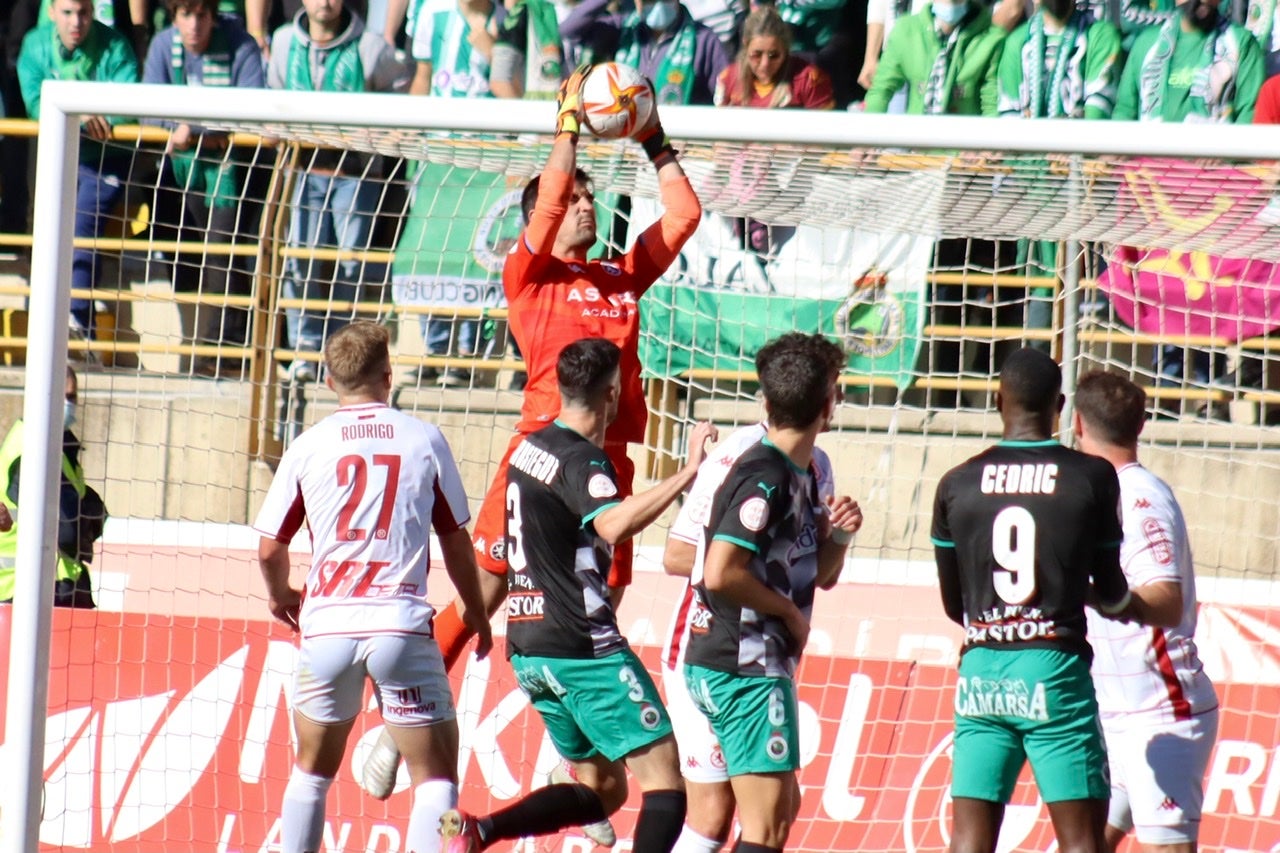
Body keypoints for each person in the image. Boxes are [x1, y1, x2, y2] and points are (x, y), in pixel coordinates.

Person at [360, 65, 703, 807]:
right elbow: (546, 202)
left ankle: (570, 762)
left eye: (587, 196)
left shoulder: (618, 279)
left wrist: (653, 138)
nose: (583, 203)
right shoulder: (529, 275)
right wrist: (568, 130)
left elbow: (683, 218)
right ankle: (398, 720)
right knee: (483, 590)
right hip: (538, 457)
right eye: (573, 196)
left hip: (607, 458)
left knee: (600, 602)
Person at [438, 337, 718, 853]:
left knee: (604, 789)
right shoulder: (583, 461)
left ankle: (483, 831)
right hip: (583, 649)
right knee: (666, 787)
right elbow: (611, 525)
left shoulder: (529, 448)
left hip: (528, 646)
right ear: (613, 393)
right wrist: (690, 473)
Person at [252, 320, 493, 853]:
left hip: (328, 628)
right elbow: (455, 540)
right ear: (389, 374)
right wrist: (476, 612)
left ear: (331, 381)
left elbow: (270, 547)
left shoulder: (307, 445)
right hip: (400, 627)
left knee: (311, 774)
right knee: (437, 782)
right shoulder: (423, 438)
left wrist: (281, 595)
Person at [930, 346, 1132, 853]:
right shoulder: (1092, 477)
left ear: (998, 400)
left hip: (981, 670)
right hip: (1052, 667)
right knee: (1081, 840)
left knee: (968, 840)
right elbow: (1111, 592)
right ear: (1061, 405)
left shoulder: (955, 483)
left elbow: (957, 606)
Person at [681, 332, 863, 853]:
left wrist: (842, 536)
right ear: (829, 403)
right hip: (743, 665)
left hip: (747, 662)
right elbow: (720, 571)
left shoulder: (803, 472)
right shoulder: (765, 475)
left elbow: (817, 575)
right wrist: (788, 614)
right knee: (764, 830)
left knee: (782, 811)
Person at [1073, 371, 1220, 853]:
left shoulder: (1137, 500)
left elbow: (1166, 600)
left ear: (1076, 424)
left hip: (1159, 713)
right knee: (1083, 845)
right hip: (1113, 712)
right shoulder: (1097, 493)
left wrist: (1102, 597)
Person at [1112, 0, 1264, 400]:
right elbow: (1124, 116)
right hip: (1156, 201)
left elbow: (1250, 118)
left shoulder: (1240, 43)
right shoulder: (1148, 44)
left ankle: (1206, 394)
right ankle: (1169, 391)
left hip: (1217, 202)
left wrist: (1224, 150)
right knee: (1166, 291)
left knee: (1211, 297)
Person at [267, 0, 409, 383]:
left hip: (355, 174)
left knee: (351, 264)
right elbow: (273, 99)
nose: (325, 3)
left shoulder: (371, 47)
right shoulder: (283, 43)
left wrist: (376, 132)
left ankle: (349, 357)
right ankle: (303, 351)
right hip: (302, 170)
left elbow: (400, 97)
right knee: (302, 261)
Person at [143, 0, 264, 378]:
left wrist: (192, 128)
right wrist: (187, 128)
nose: (194, 24)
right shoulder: (163, 45)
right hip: (175, 174)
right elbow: (145, 107)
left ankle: (220, 351)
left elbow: (252, 104)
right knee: (185, 258)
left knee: (224, 253)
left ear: (214, 16)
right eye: (185, 15)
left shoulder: (240, 45)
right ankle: (204, 346)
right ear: (174, 17)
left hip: (230, 171)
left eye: (202, 15)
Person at [17, 0, 140, 338]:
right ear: (52, 11)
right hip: (57, 153)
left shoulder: (115, 45)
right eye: (68, 12)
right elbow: (34, 100)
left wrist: (93, 115)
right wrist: (80, 113)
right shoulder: (35, 44)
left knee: (83, 226)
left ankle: (77, 324)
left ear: (93, 12)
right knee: (50, 227)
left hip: (106, 158)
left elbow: (130, 104)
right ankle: (51, 324)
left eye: (84, 12)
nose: (76, 22)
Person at [405, 0, 504, 387]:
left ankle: (467, 355)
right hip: (439, 158)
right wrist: (410, 135)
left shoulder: (509, 19)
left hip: (487, 162)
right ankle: (436, 349)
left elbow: (526, 85)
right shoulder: (435, 16)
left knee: (476, 253)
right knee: (433, 250)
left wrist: (492, 52)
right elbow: (423, 77)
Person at [0, 367, 105, 608]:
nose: (68, 404)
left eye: (72, 397)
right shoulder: (32, 450)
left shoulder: (58, 446)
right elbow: (67, 529)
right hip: (30, 592)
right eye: (62, 396)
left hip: (50, 587)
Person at [559, 0, 729, 106]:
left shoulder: (703, 40)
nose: (657, 4)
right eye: (649, 0)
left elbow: (725, 95)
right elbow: (569, 30)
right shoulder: (623, 28)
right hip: (625, 147)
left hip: (677, 148)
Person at [862, 0, 1006, 116]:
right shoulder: (905, 31)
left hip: (965, 147)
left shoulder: (992, 38)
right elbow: (881, 90)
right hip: (917, 144)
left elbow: (991, 102)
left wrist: (986, 148)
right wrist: (866, 138)